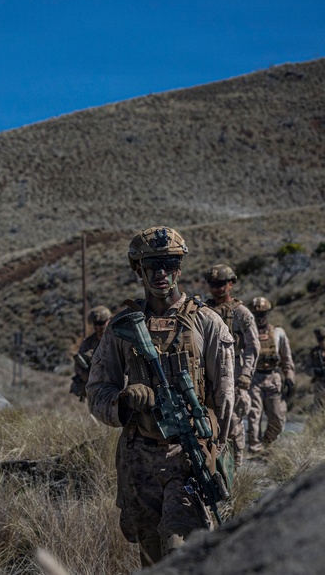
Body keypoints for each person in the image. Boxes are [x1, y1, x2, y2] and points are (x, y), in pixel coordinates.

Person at [86, 226, 235, 567]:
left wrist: (216, 454)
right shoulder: (123, 328)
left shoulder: (207, 323)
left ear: (179, 268)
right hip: (140, 459)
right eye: (151, 265)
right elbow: (97, 390)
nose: (160, 273)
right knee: (151, 556)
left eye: (169, 264)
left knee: (185, 552)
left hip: (189, 455)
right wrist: (124, 402)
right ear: (138, 269)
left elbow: (224, 398)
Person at [204, 264, 260, 465]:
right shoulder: (204, 311)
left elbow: (254, 346)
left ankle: (235, 465)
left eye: (220, 284)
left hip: (233, 371)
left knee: (233, 419)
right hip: (207, 371)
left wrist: (246, 374)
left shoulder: (242, 313)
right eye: (212, 284)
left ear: (230, 284)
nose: (216, 288)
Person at [246, 296, 295, 454]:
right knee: (254, 416)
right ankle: (255, 449)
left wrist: (289, 378)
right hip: (254, 379)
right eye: (256, 315)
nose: (260, 318)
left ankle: (268, 442)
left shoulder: (278, 333)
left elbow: (286, 359)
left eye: (263, 314)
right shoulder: (246, 335)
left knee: (278, 417)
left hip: (273, 378)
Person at [69, 305, 111, 401]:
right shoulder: (87, 343)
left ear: (109, 321)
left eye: (101, 323)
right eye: (95, 324)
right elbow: (77, 365)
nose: (97, 327)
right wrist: (82, 373)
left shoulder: (115, 341)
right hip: (94, 388)